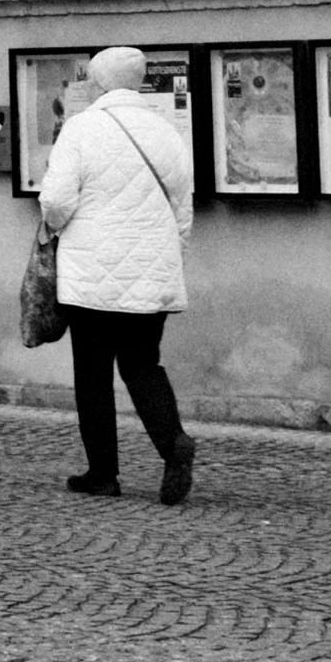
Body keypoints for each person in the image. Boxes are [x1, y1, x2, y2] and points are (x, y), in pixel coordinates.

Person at [36, 45, 197, 503]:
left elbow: (57, 201)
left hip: (91, 277)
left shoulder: (82, 129)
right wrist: (167, 257)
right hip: (152, 272)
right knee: (143, 365)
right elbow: (183, 212)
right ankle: (173, 444)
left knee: (92, 374)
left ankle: (103, 473)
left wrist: (54, 226)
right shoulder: (167, 132)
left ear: (99, 83)